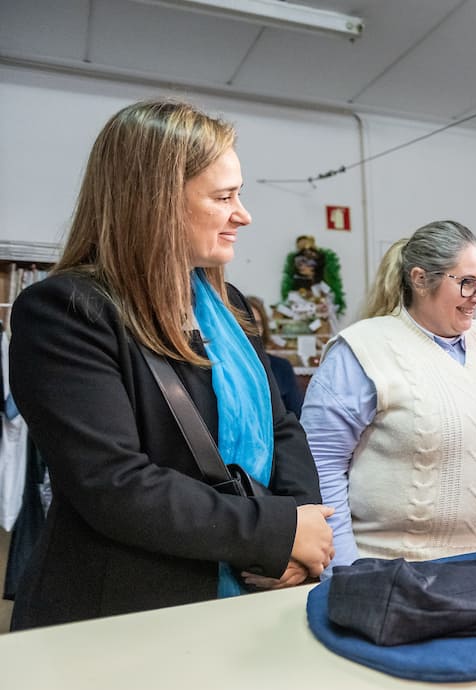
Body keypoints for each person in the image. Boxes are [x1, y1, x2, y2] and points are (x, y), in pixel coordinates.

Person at [8, 99, 334, 628]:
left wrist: (298, 533)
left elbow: (281, 428)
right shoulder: (66, 311)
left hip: (253, 589)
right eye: (223, 197)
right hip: (128, 609)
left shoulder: (232, 309)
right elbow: (114, 483)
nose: (243, 215)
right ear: (156, 202)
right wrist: (276, 534)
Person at [301, 221, 476, 571]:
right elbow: (320, 466)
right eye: (467, 283)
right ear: (420, 279)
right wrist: (344, 570)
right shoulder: (363, 351)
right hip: (398, 572)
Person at [246, 295, 305, 418]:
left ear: (264, 328)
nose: (252, 330)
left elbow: (297, 416)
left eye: (257, 324)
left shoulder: (282, 367)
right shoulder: (224, 368)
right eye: (246, 323)